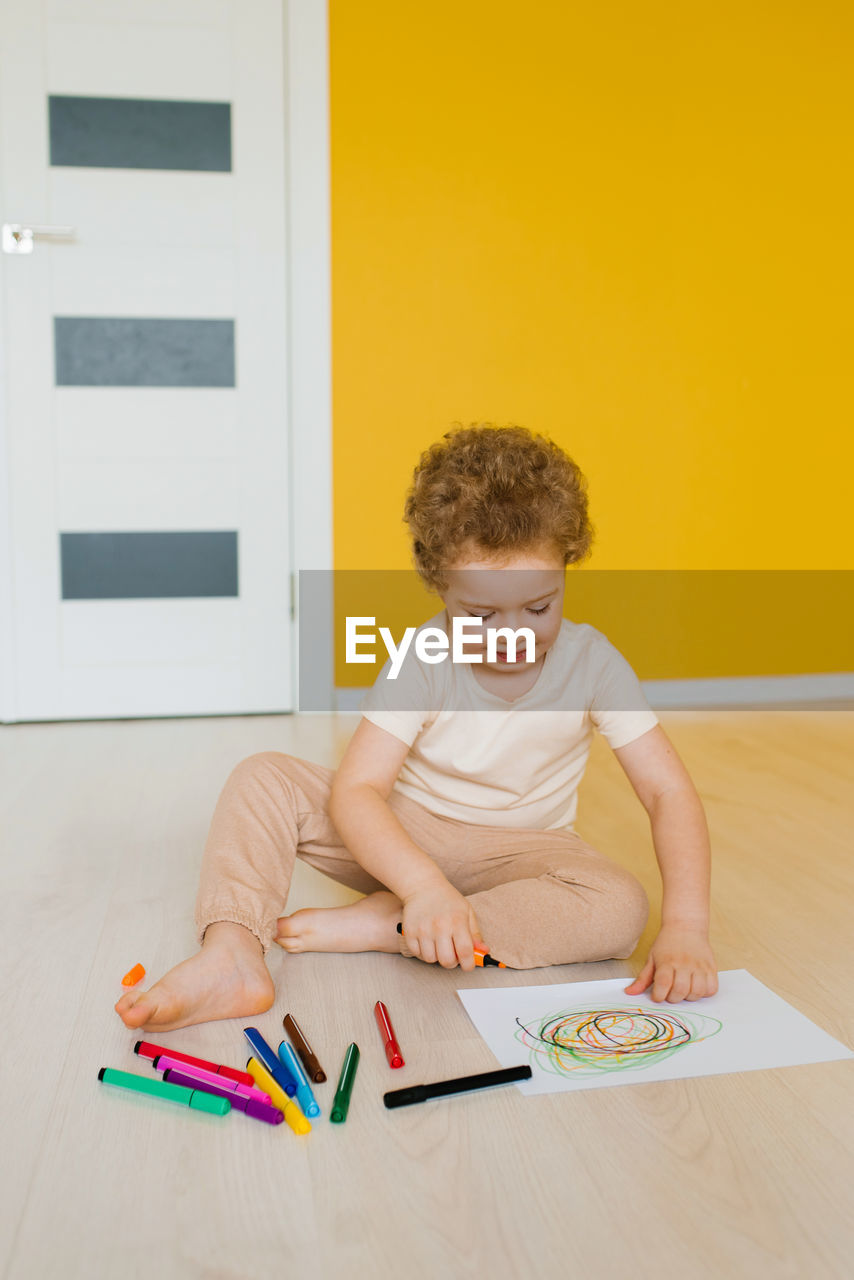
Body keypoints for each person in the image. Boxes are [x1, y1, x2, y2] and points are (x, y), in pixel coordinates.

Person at [116, 424, 718, 1033]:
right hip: (403, 833)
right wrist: (422, 883)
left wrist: (686, 927)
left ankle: (393, 926)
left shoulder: (595, 663)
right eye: (480, 615)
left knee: (620, 908)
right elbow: (358, 793)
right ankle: (233, 955)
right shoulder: (420, 657)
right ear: (440, 586)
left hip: (527, 850)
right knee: (264, 778)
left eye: (539, 607)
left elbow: (668, 793)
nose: (512, 634)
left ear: (567, 571)